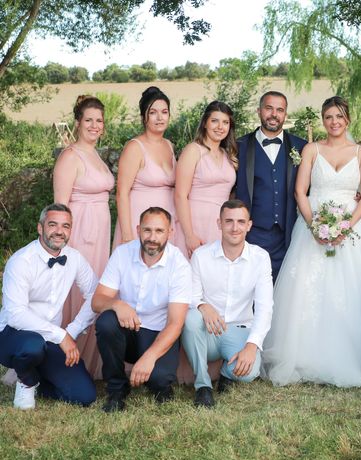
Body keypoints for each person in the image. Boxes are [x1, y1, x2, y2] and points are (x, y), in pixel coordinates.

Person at [262, 96, 361, 387]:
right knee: (308, 289)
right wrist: (314, 226)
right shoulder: (312, 150)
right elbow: (299, 191)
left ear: (348, 119)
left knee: (352, 290)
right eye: (329, 116)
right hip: (313, 226)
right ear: (323, 120)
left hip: (353, 230)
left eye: (339, 116)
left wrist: (345, 227)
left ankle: (354, 356)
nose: (334, 122)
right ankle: (306, 355)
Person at [92, 207, 191, 412]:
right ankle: (117, 390)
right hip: (127, 330)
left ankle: (158, 381)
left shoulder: (179, 265)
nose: (152, 237)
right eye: (147, 230)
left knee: (159, 381)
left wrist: (149, 358)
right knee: (106, 321)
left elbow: (176, 323)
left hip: (158, 333)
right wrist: (117, 304)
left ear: (170, 233)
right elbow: (97, 301)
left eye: (159, 231)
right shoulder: (122, 254)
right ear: (138, 230)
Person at [0, 204, 97, 409]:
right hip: (12, 334)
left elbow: (94, 296)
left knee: (84, 396)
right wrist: (61, 336)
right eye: (52, 225)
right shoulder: (21, 261)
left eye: (66, 226)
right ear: (40, 227)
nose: (59, 231)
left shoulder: (75, 258)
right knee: (32, 346)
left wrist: (72, 330)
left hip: (51, 339)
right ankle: (26, 381)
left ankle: (37, 378)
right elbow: (16, 315)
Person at [181, 200, 273, 407]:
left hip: (240, 330)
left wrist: (252, 345)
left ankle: (226, 373)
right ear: (219, 223)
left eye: (241, 222)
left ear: (249, 225)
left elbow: (265, 307)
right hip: (209, 332)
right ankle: (203, 386)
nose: (235, 227)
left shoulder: (260, 258)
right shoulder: (201, 256)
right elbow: (191, 297)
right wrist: (203, 306)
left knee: (248, 373)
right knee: (190, 317)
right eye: (229, 221)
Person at [53, 95, 115, 379]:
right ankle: (64, 360)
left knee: (97, 292)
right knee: (78, 292)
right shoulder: (70, 156)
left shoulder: (96, 155)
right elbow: (60, 206)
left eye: (99, 121)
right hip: (81, 233)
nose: (94, 125)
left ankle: (92, 361)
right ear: (77, 123)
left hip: (101, 232)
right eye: (88, 120)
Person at [235, 91, 307, 280]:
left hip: (288, 237)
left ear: (285, 115)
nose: (274, 114)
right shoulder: (239, 147)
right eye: (269, 108)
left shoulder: (301, 147)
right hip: (251, 235)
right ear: (259, 111)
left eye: (280, 110)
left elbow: (316, 185)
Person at [113, 86, 182, 251]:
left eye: (164, 112)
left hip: (167, 222)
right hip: (139, 222)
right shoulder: (134, 148)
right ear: (144, 117)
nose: (160, 117)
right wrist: (127, 234)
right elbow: (121, 193)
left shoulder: (169, 145)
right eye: (153, 112)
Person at [174, 101, 237, 258]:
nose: (220, 127)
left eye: (225, 122)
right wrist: (189, 235)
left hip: (221, 224)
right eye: (214, 121)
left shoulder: (229, 156)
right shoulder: (193, 150)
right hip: (196, 222)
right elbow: (180, 195)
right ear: (205, 124)